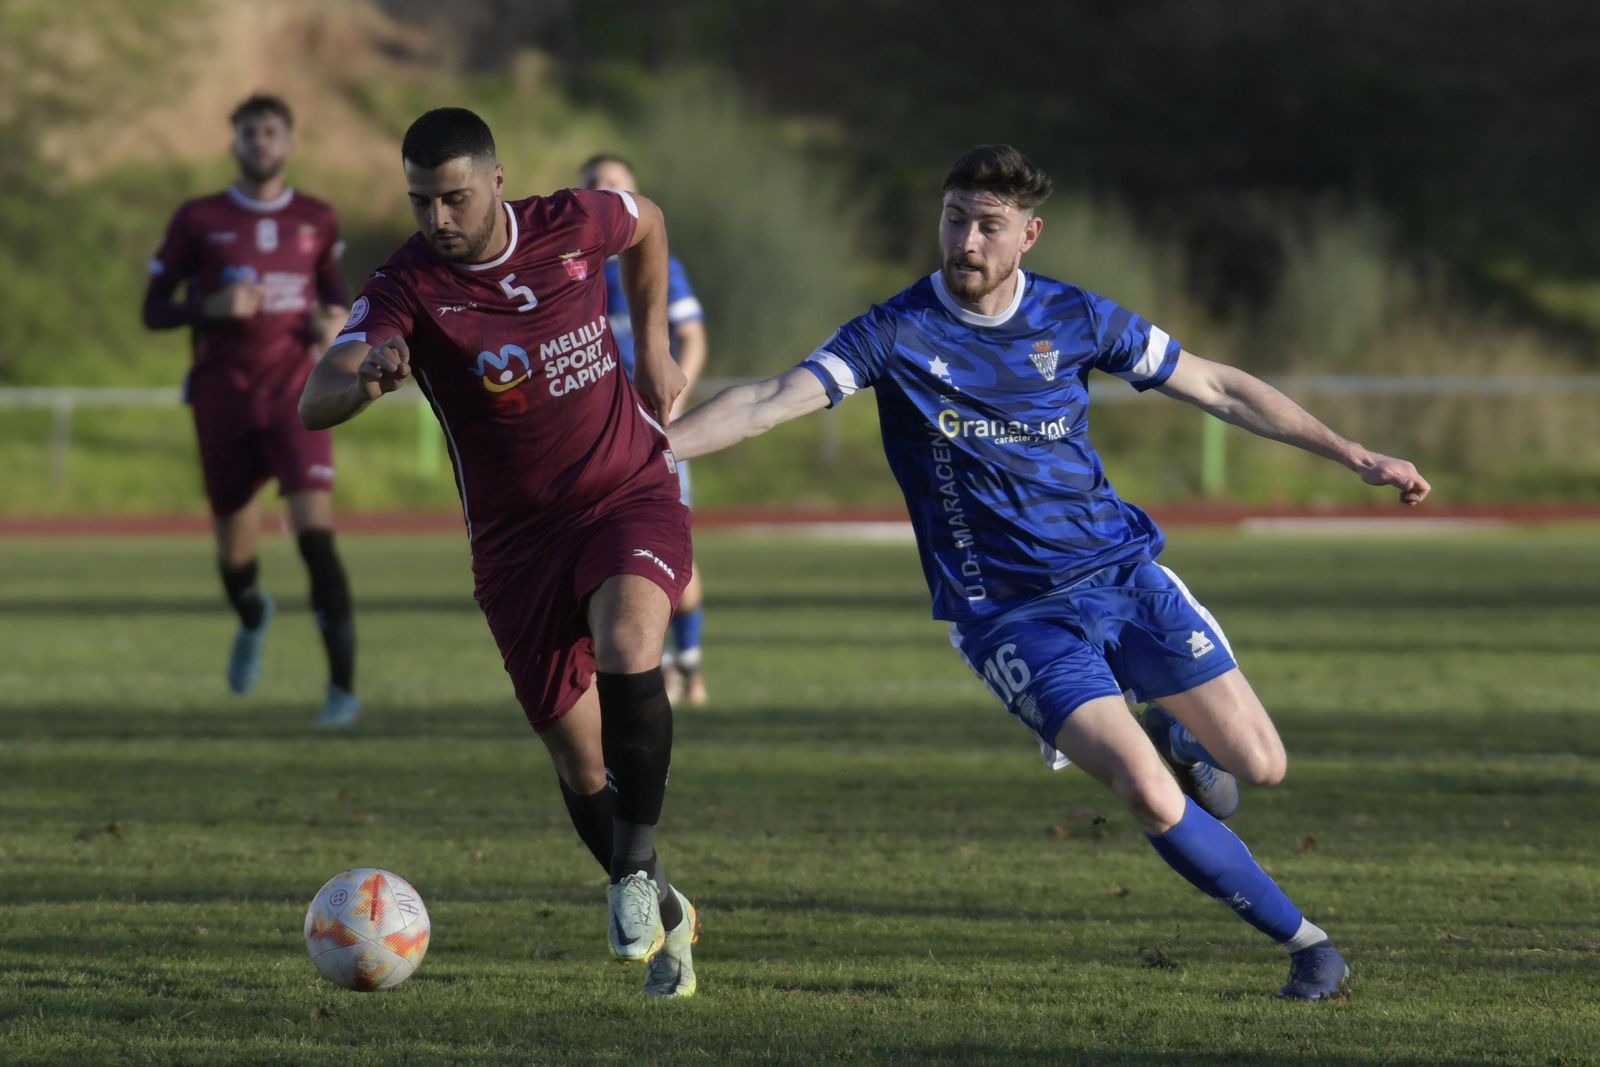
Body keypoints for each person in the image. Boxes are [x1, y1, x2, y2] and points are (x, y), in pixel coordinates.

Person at [668, 144, 1434, 1001]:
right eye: (955, 218)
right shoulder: (897, 330)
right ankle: (1310, 944)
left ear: (1029, 234)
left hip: (1122, 574)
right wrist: (648, 453)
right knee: (1142, 788)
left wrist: (1351, 452)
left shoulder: (1075, 317)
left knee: (1261, 766)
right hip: (1009, 614)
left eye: (989, 226)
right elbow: (768, 401)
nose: (966, 241)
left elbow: (1217, 386)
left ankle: (1181, 732)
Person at [299, 108, 699, 998]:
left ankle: (631, 878)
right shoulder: (405, 284)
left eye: (452, 197)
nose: (436, 218)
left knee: (634, 642)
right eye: (419, 201)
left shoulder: (572, 223)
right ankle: (664, 902)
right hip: (516, 546)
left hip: (623, 489)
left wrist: (656, 349)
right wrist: (367, 376)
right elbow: (314, 398)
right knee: (579, 760)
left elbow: (651, 223)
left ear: (496, 180)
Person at [143, 93, 360, 726]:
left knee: (317, 540)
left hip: (299, 399)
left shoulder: (318, 218)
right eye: (249, 133)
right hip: (223, 401)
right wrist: (210, 307)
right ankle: (252, 611)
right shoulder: (199, 218)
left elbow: (338, 299)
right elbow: (153, 309)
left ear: (290, 143)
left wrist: (337, 324)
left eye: (270, 132)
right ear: (234, 143)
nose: (260, 142)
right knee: (235, 556)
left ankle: (342, 691)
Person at [580, 154, 711, 706]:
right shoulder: (575, 272)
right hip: (595, 438)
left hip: (656, 429)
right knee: (601, 555)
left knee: (672, 554)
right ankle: (635, 672)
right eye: (593, 186)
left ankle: (691, 668)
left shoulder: (658, 264)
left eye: (614, 183)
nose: (604, 191)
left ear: (635, 194)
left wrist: (676, 400)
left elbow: (694, 338)